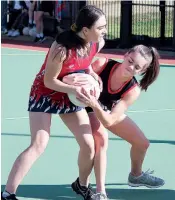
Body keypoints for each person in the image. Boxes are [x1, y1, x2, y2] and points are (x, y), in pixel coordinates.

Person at [1, 5, 107, 200]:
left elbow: (87, 63)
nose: (104, 31)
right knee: (39, 143)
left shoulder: (96, 42)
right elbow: (49, 81)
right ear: (85, 30)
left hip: (70, 95)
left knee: (88, 145)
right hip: (46, 92)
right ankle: (8, 193)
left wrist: (92, 75)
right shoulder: (61, 48)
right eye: (100, 28)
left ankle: (81, 185)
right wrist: (75, 89)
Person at [63, 45, 165, 198]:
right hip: (84, 105)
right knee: (101, 140)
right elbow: (74, 76)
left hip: (101, 109)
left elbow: (110, 120)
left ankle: (136, 176)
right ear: (125, 55)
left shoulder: (133, 90)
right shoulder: (103, 64)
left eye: (137, 67)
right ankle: (100, 192)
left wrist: (95, 104)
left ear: (142, 71)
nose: (131, 67)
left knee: (142, 143)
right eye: (130, 61)